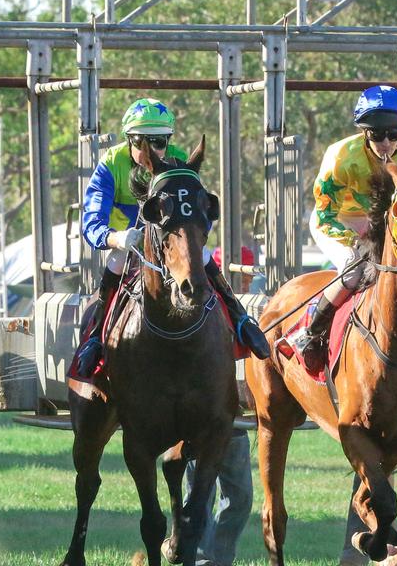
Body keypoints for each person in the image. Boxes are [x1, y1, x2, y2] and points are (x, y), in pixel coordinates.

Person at [74, 98, 269, 377]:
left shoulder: (179, 161)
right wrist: (116, 239)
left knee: (201, 256)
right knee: (116, 262)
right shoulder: (110, 165)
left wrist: (195, 235)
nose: (154, 150)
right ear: (130, 139)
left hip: (169, 243)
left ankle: (240, 319)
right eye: (144, 142)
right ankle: (94, 337)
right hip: (128, 244)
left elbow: (200, 210)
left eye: (160, 141)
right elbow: (92, 223)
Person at [288, 85, 397, 373]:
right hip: (339, 222)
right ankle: (311, 332)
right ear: (364, 132)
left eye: (394, 134)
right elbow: (327, 213)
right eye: (376, 134)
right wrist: (360, 241)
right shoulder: (341, 155)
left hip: (387, 226)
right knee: (354, 270)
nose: (386, 142)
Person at [181, 245, 257, 566]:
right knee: (200, 496)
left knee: (240, 498)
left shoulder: (231, 306)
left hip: (231, 415)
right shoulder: (187, 299)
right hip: (196, 418)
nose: (244, 283)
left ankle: (218, 559)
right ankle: (199, 559)